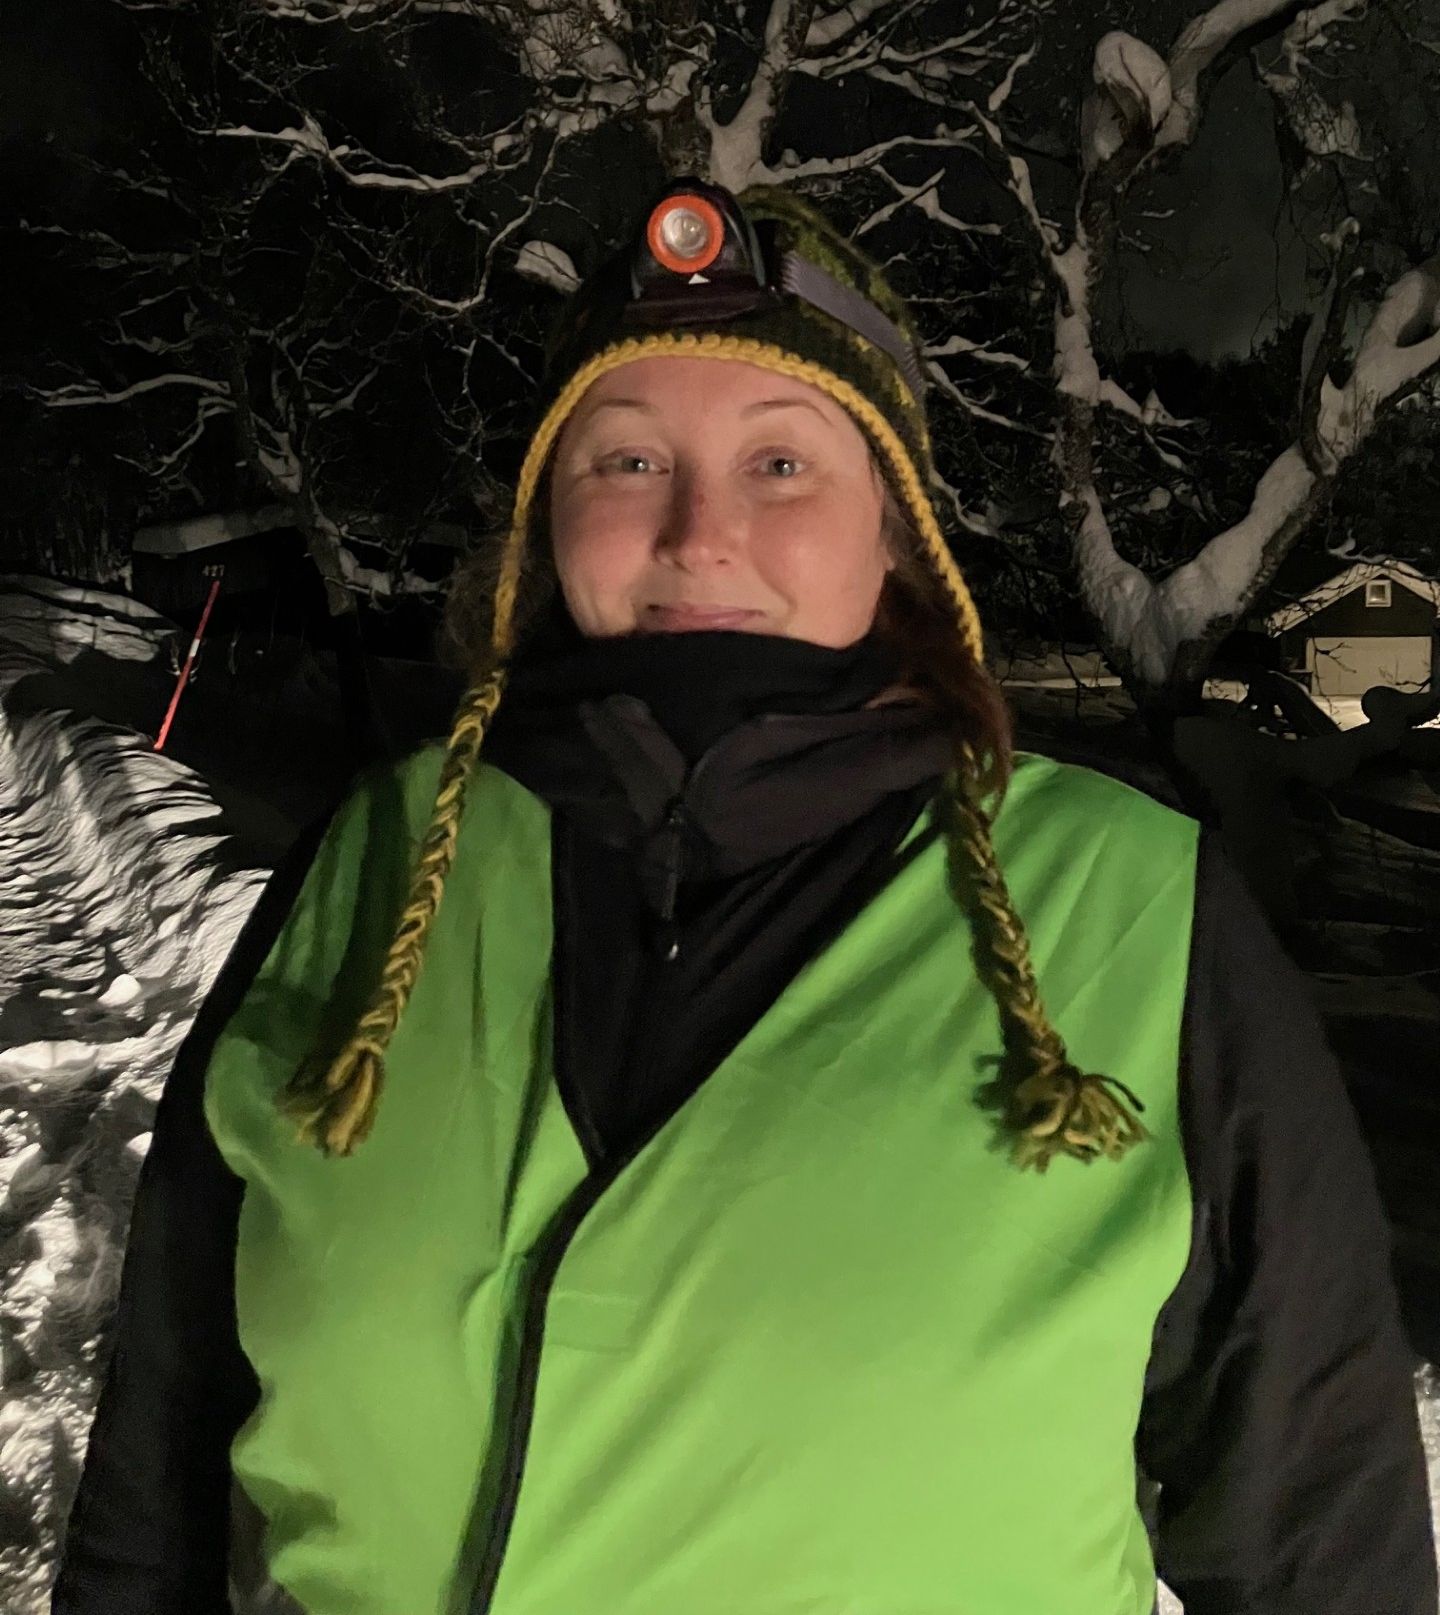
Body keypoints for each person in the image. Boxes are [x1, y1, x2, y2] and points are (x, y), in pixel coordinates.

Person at [53, 180, 1435, 1615]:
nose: (699, 532)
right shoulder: (376, 863)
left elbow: (1326, 1545)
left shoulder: (1139, 919)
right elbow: (162, 1451)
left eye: (780, 463)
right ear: (545, 519)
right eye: (627, 459)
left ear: (896, 532)